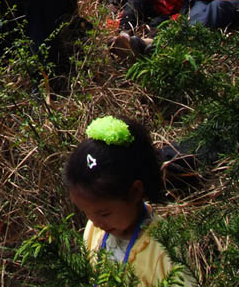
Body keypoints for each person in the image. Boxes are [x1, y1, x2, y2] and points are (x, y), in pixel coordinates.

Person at [64, 116, 195, 287]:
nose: (95, 222)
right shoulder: (94, 232)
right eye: (86, 213)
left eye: (104, 213)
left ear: (134, 192)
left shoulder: (165, 251)